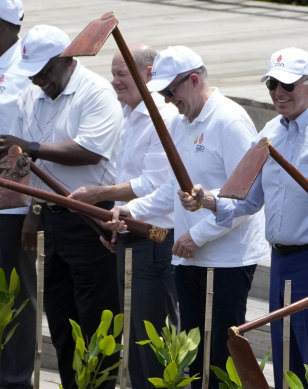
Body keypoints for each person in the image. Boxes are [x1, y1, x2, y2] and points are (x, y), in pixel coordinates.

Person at [181, 47, 308, 389]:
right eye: (272, 84)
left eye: (288, 85)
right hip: (281, 261)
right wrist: (206, 199)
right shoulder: (269, 132)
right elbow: (246, 200)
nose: (279, 93)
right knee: (286, 362)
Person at [107, 45, 269, 389]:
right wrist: (131, 209)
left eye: (171, 91)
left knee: (221, 357)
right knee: (194, 358)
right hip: (188, 258)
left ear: (194, 80)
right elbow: (171, 188)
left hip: (226, 259)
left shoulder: (230, 120)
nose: (167, 100)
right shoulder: (181, 123)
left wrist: (199, 235)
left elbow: (247, 198)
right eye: (162, 92)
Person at [0, 25, 124, 389]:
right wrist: (31, 210)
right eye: (33, 73)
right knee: (61, 316)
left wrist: (31, 146)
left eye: (44, 71)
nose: (38, 80)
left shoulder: (95, 92)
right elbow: (27, 162)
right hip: (52, 218)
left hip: (92, 220)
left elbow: (89, 149)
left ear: (66, 59)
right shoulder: (32, 95)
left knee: (95, 318)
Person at [69, 43, 179, 389]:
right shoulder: (130, 114)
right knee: (132, 334)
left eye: (121, 74)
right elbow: (125, 175)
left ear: (148, 74)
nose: (114, 81)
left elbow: (154, 183)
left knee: (153, 335)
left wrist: (101, 195)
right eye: (113, 73)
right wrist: (114, 218)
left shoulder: (163, 116)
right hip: (130, 230)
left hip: (157, 236)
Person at [0, 1, 36, 388]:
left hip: (11, 207)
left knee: (15, 297)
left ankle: (14, 380)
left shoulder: (25, 71)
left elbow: (35, 141)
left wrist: (34, 208)